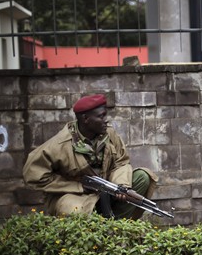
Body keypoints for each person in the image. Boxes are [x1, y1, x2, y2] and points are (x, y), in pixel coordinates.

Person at [22, 94, 157, 219]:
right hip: (75, 196)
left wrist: (121, 186)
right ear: (86, 119)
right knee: (72, 209)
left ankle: (118, 226)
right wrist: (77, 186)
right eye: (101, 116)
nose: (106, 120)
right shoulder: (59, 145)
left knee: (142, 177)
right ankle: (92, 234)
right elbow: (34, 176)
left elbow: (121, 162)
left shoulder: (109, 134)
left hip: (106, 190)